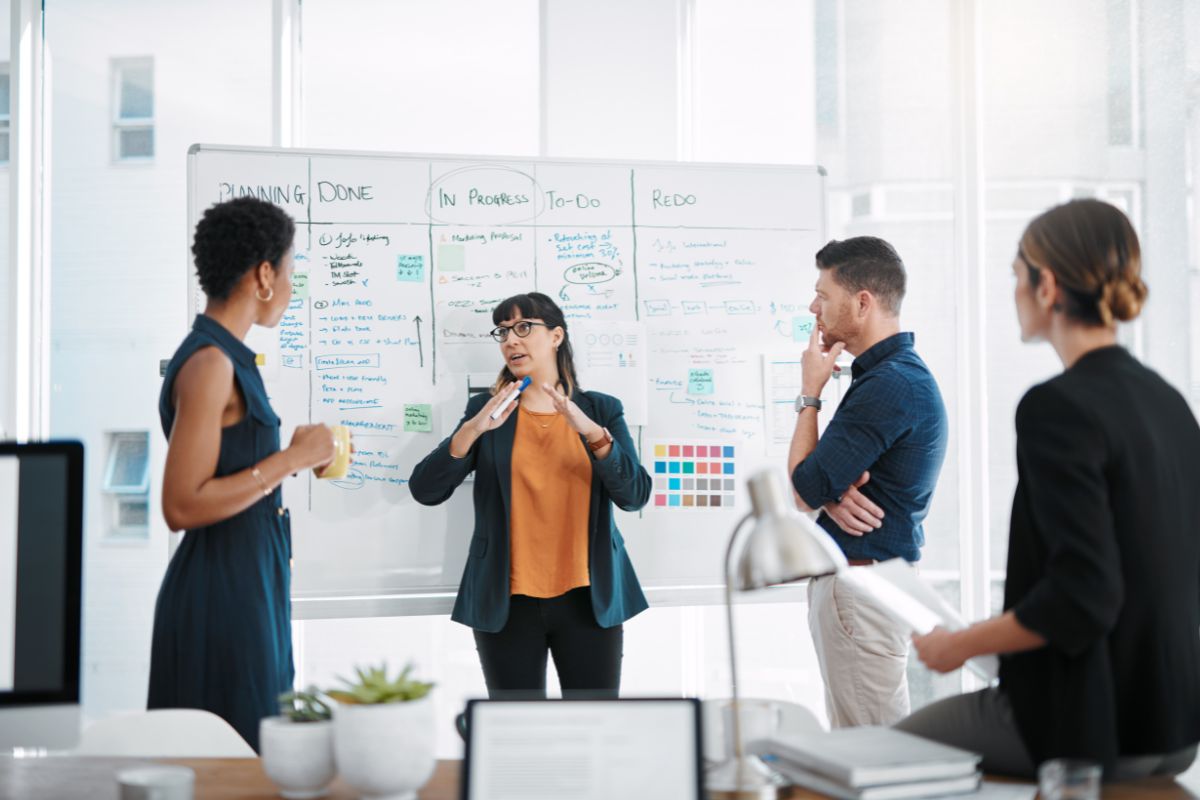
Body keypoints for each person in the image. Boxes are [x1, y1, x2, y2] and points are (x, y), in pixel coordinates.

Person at [897, 199, 1200, 780]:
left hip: (1085, 725)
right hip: (1174, 726)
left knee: (882, 755)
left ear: (1048, 286)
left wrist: (958, 646)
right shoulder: (1168, 403)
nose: (1013, 290)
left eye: (1016, 275)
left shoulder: (1056, 408)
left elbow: (1083, 594)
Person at [149, 197, 338, 752]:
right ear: (263, 274)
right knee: (237, 760)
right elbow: (181, 505)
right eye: (290, 269)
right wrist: (292, 458)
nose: (290, 283)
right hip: (223, 594)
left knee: (258, 753)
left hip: (251, 582)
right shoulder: (210, 363)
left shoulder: (229, 357)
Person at [409, 292, 650, 702]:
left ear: (556, 336)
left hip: (589, 598)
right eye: (503, 331)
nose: (510, 341)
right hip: (506, 601)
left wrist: (593, 434)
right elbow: (425, 490)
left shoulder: (601, 410)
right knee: (514, 729)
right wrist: (470, 431)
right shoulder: (488, 409)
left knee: (594, 724)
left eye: (524, 328)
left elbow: (634, 496)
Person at [788, 236, 949, 728]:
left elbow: (802, 488)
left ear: (862, 302)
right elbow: (817, 488)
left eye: (824, 294)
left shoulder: (889, 385)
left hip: (863, 587)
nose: (814, 306)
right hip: (867, 585)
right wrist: (828, 493)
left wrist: (809, 394)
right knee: (865, 740)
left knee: (874, 751)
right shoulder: (888, 377)